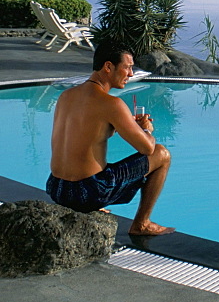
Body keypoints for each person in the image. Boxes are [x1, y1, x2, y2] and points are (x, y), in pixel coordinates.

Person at [47, 43, 174, 236]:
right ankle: (142, 223)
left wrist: (121, 125)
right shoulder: (111, 103)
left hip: (57, 188)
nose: (131, 74)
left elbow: (85, 135)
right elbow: (148, 149)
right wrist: (146, 130)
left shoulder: (66, 96)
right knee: (162, 154)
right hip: (88, 192)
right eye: (128, 67)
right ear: (108, 67)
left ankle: (91, 207)